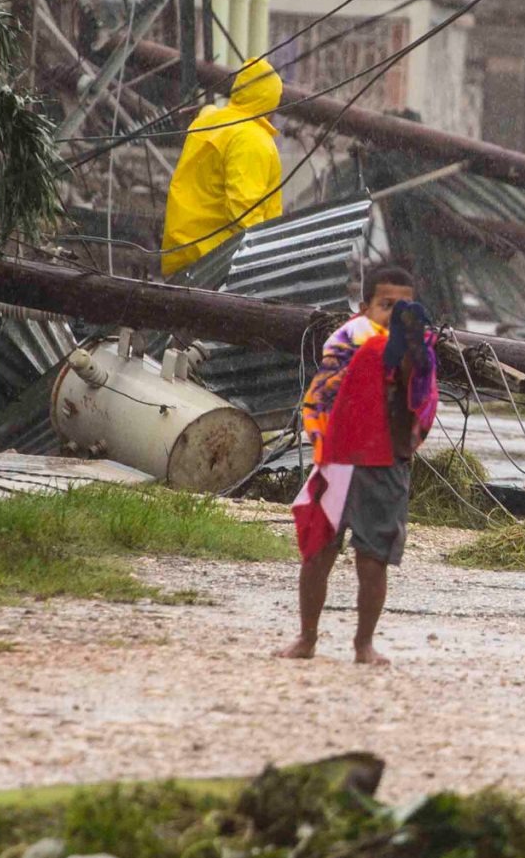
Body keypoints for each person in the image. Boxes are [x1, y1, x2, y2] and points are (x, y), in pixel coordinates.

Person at [277, 262, 437, 664]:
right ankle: (307, 637)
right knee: (317, 553)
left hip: (385, 466)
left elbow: (423, 402)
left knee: (373, 560)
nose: (395, 315)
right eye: (386, 305)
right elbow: (323, 392)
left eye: (405, 308)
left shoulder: (418, 353)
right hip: (337, 461)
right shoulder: (346, 342)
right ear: (364, 307)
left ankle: (363, 644)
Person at [161, 58, 285, 274]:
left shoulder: (210, 122)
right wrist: (268, 263)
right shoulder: (251, 139)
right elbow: (244, 210)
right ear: (271, 101)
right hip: (218, 266)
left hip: (184, 255)